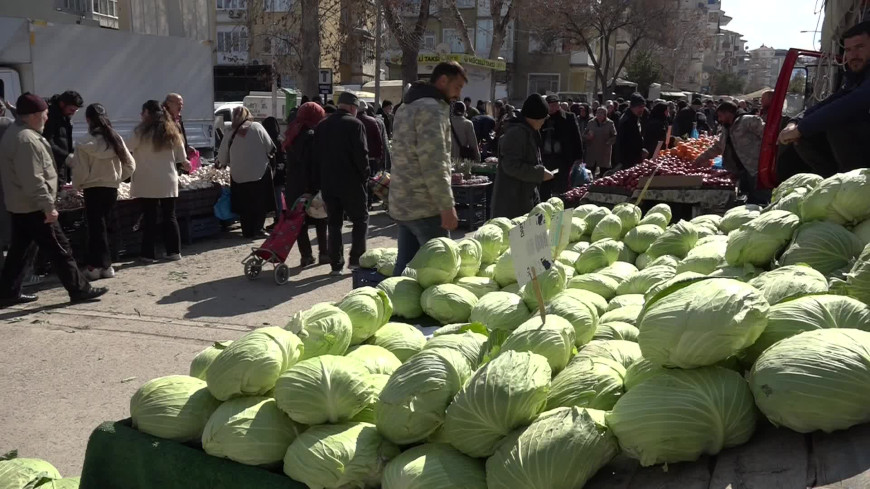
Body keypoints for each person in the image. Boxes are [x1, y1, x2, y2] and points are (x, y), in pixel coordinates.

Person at [0, 93, 107, 306]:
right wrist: (48, 207)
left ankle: (7, 293)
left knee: (20, 251)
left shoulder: (18, 133)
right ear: (32, 116)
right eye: (44, 114)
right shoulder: (26, 140)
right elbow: (33, 179)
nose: (47, 118)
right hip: (34, 206)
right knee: (61, 248)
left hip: (21, 205)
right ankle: (79, 289)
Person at [390, 61, 466, 276]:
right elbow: (434, 162)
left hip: (403, 202)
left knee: (405, 268)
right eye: (457, 86)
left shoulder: (407, 106)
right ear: (443, 80)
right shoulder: (432, 109)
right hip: (426, 206)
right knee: (441, 271)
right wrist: (446, 205)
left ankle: (392, 306)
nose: (459, 94)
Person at [778, 21, 870, 175]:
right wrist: (795, 123)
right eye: (848, 50)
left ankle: (851, 185)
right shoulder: (855, 79)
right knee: (803, 135)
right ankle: (832, 182)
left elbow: (854, 101)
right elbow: (832, 102)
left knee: (838, 121)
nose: (853, 55)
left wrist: (802, 127)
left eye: (860, 47)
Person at [67, 104, 135, 280]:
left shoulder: (83, 143)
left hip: (92, 188)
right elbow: (131, 165)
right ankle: (107, 265)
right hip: (111, 188)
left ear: (88, 120)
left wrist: (78, 185)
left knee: (95, 228)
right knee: (107, 225)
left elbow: (80, 171)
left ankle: (96, 266)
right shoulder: (115, 139)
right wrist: (118, 178)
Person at [316, 91, 370, 275]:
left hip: (329, 183)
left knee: (334, 223)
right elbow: (362, 155)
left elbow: (317, 157)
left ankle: (335, 263)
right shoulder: (355, 124)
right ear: (353, 108)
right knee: (360, 220)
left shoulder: (322, 126)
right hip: (352, 183)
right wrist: (365, 177)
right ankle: (356, 259)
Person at [130, 100, 190, 261]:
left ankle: (148, 254)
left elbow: (128, 148)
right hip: (168, 180)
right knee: (170, 216)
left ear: (148, 113)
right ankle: (174, 251)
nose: (141, 116)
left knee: (149, 217)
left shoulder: (140, 133)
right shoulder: (172, 132)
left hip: (147, 180)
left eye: (143, 112)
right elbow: (181, 158)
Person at [490, 94, 556, 219]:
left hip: (524, 196)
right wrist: (539, 173)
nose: (544, 122)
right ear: (534, 117)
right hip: (513, 201)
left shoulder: (529, 130)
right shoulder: (516, 133)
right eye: (543, 118)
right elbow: (510, 165)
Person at [216, 106, 276, 239]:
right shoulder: (257, 126)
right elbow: (270, 148)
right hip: (259, 173)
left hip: (238, 175)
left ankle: (247, 230)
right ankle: (258, 229)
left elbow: (222, 158)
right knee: (260, 203)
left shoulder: (229, 132)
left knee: (244, 205)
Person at [693, 101, 767, 203]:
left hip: (755, 169)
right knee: (746, 201)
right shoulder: (726, 128)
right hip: (740, 171)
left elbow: (768, 137)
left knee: (760, 200)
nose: (719, 119)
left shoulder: (749, 121)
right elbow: (718, 147)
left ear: (728, 113)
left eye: (720, 116)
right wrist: (700, 159)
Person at [283, 102, 329, 267]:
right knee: (321, 218)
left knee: (299, 223)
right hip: (311, 184)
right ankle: (324, 253)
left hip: (294, 186)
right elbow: (315, 164)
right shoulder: (314, 135)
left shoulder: (292, 133)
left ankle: (306, 256)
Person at [539, 95, 583, 198]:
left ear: (559, 105)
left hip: (563, 158)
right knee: (545, 185)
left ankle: (561, 203)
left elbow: (576, 137)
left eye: (554, 105)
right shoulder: (541, 118)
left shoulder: (568, 117)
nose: (552, 108)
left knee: (561, 186)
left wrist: (579, 157)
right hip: (545, 157)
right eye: (549, 106)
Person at [43, 90, 82, 180]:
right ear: (62, 104)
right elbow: (47, 141)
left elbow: (65, 140)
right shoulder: (50, 117)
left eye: (76, 110)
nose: (73, 113)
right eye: (71, 110)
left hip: (62, 166)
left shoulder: (65, 116)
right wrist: (65, 156)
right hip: (53, 165)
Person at [616, 93, 648, 169]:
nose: (642, 109)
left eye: (643, 107)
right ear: (632, 107)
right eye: (640, 107)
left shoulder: (634, 118)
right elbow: (626, 143)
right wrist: (639, 153)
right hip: (627, 161)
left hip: (633, 159)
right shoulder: (627, 121)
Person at [261, 116, 285, 215]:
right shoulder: (280, 138)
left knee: (275, 195)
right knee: (278, 194)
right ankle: (279, 218)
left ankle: (278, 218)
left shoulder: (267, 139)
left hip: (272, 170)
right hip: (281, 169)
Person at [584, 107, 617, 176]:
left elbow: (615, 136)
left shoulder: (610, 123)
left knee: (603, 173)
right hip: (592, 150)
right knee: (590, 172)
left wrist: (609, 142)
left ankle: (602, 186)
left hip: (604, 151)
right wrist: (588, 137)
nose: (599, 114)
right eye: (597, 113)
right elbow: (584, 134)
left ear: (605, 115)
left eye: (601, 113)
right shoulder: (591, 122)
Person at [163, 93, 195, 157]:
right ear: (168, 104)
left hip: (180, 158)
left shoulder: (178, 119)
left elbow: (181, 137)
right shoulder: (163, 120)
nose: (180, 106)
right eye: (178, 104)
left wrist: (186, 147)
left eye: (181, 104)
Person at [358, 101, 385, 173]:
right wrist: (379, 156)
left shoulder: (353, 121)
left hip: (357, 157)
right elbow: (378, 140)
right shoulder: (372, 121)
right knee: (372, 180)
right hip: (371, 157)